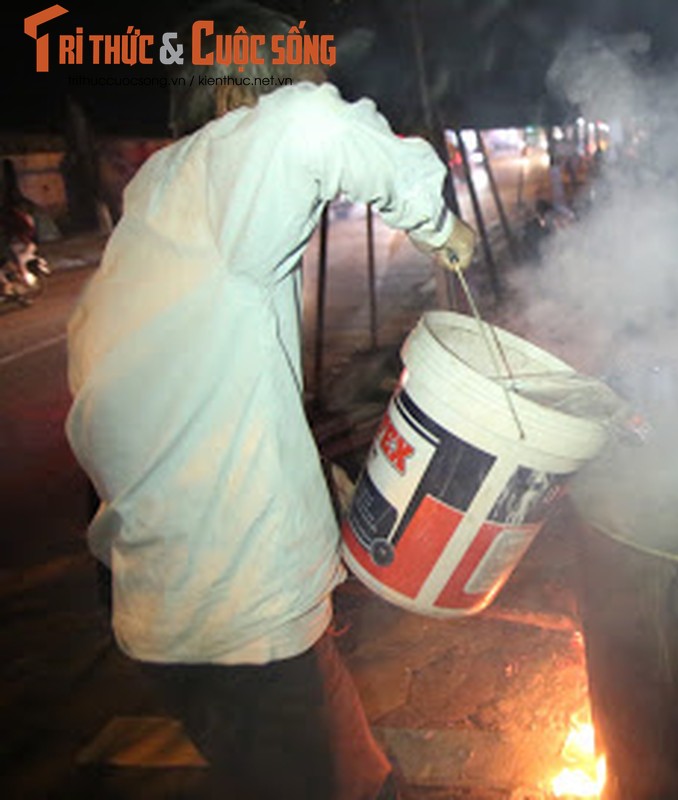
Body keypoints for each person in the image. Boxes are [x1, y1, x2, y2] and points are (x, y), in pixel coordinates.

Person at [64, 3, 476, 798]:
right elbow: (310, 129)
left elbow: (182, 415)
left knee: (327, 775)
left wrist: (315, 489)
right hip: (235, 617)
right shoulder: (215, 181)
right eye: (301, 76)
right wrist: (435, 221)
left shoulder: (155, 221)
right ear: (236, 100)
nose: (317, 91)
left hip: (177, 603)